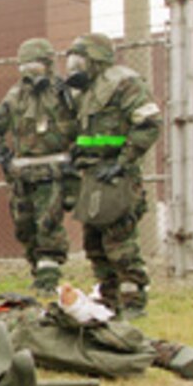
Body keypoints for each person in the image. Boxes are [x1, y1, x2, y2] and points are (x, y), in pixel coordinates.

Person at [64, 33, 162, 318]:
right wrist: (77, 154)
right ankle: (109, 298)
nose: (74, 67)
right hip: (92, 175)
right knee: (94, 242)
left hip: (118, 175)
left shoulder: (125, 83)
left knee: (119, 240)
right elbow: (87, 136)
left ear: (97, 59)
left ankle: (133, 300)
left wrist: (123, 161)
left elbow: (149, 123)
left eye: (80, 60)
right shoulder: (87, 94)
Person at [0, 282, 193, 380]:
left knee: (95, 329)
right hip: (20, 331)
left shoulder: (2, 299)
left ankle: (174, 353)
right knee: (82, 347)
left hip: (36, 318)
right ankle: (162, 354)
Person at [0, 38, 79, 295]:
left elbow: (85, 125)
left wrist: (80, 153)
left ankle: (48, 281)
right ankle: (38, 273)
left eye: (35, 66)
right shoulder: (15, 96)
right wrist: (2, 154)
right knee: (24, 227)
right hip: (21, 174)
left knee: (48, 225)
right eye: (24, 67)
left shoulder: (65, 95)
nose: (29, 73)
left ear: (49, 65)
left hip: (53, 173)